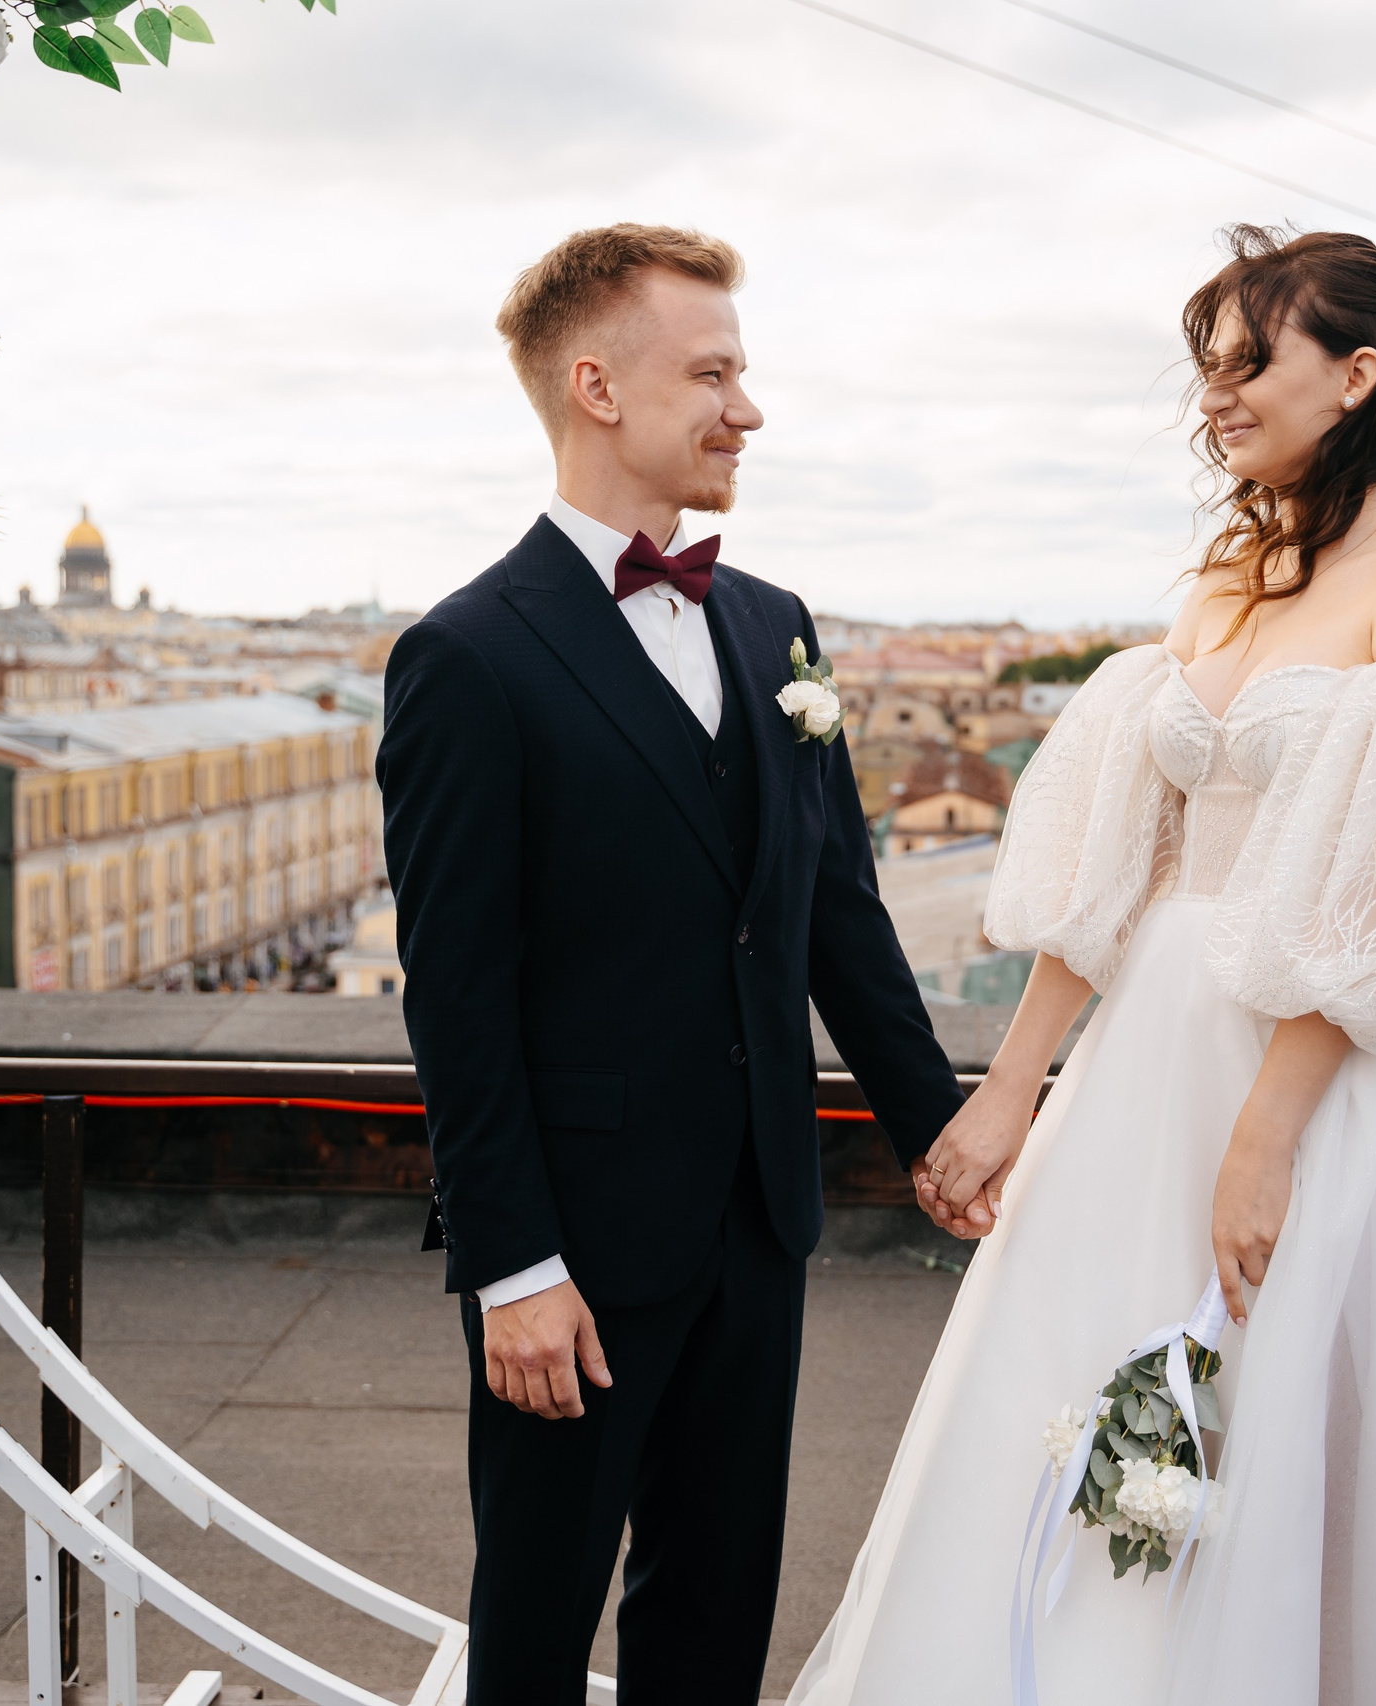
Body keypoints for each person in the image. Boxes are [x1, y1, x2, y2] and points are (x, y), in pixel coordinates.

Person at [789, 225, 1376, 1705]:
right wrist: (1012, 1089)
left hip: (1322, 1088)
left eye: (1249, 363)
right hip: (1147, 1067)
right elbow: (1126, 861)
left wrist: (1266, 1139)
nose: (1215, 398)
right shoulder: (1227, 573)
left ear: (1356, 374)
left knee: (1284, 1443)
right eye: (1206, 369)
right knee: (1071, 1397)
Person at [378, 223, 968, 1706]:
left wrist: (944, 1136)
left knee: (715, 1621)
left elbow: (838, 911)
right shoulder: (466, 656)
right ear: (596, 385)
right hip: (570, 1250)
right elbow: (457, 991)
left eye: (743, 374)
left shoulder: (773, 625)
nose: (746, 409)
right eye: (712, 373)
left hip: (759, 1224)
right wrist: (513, 1265)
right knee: (535, 1625)